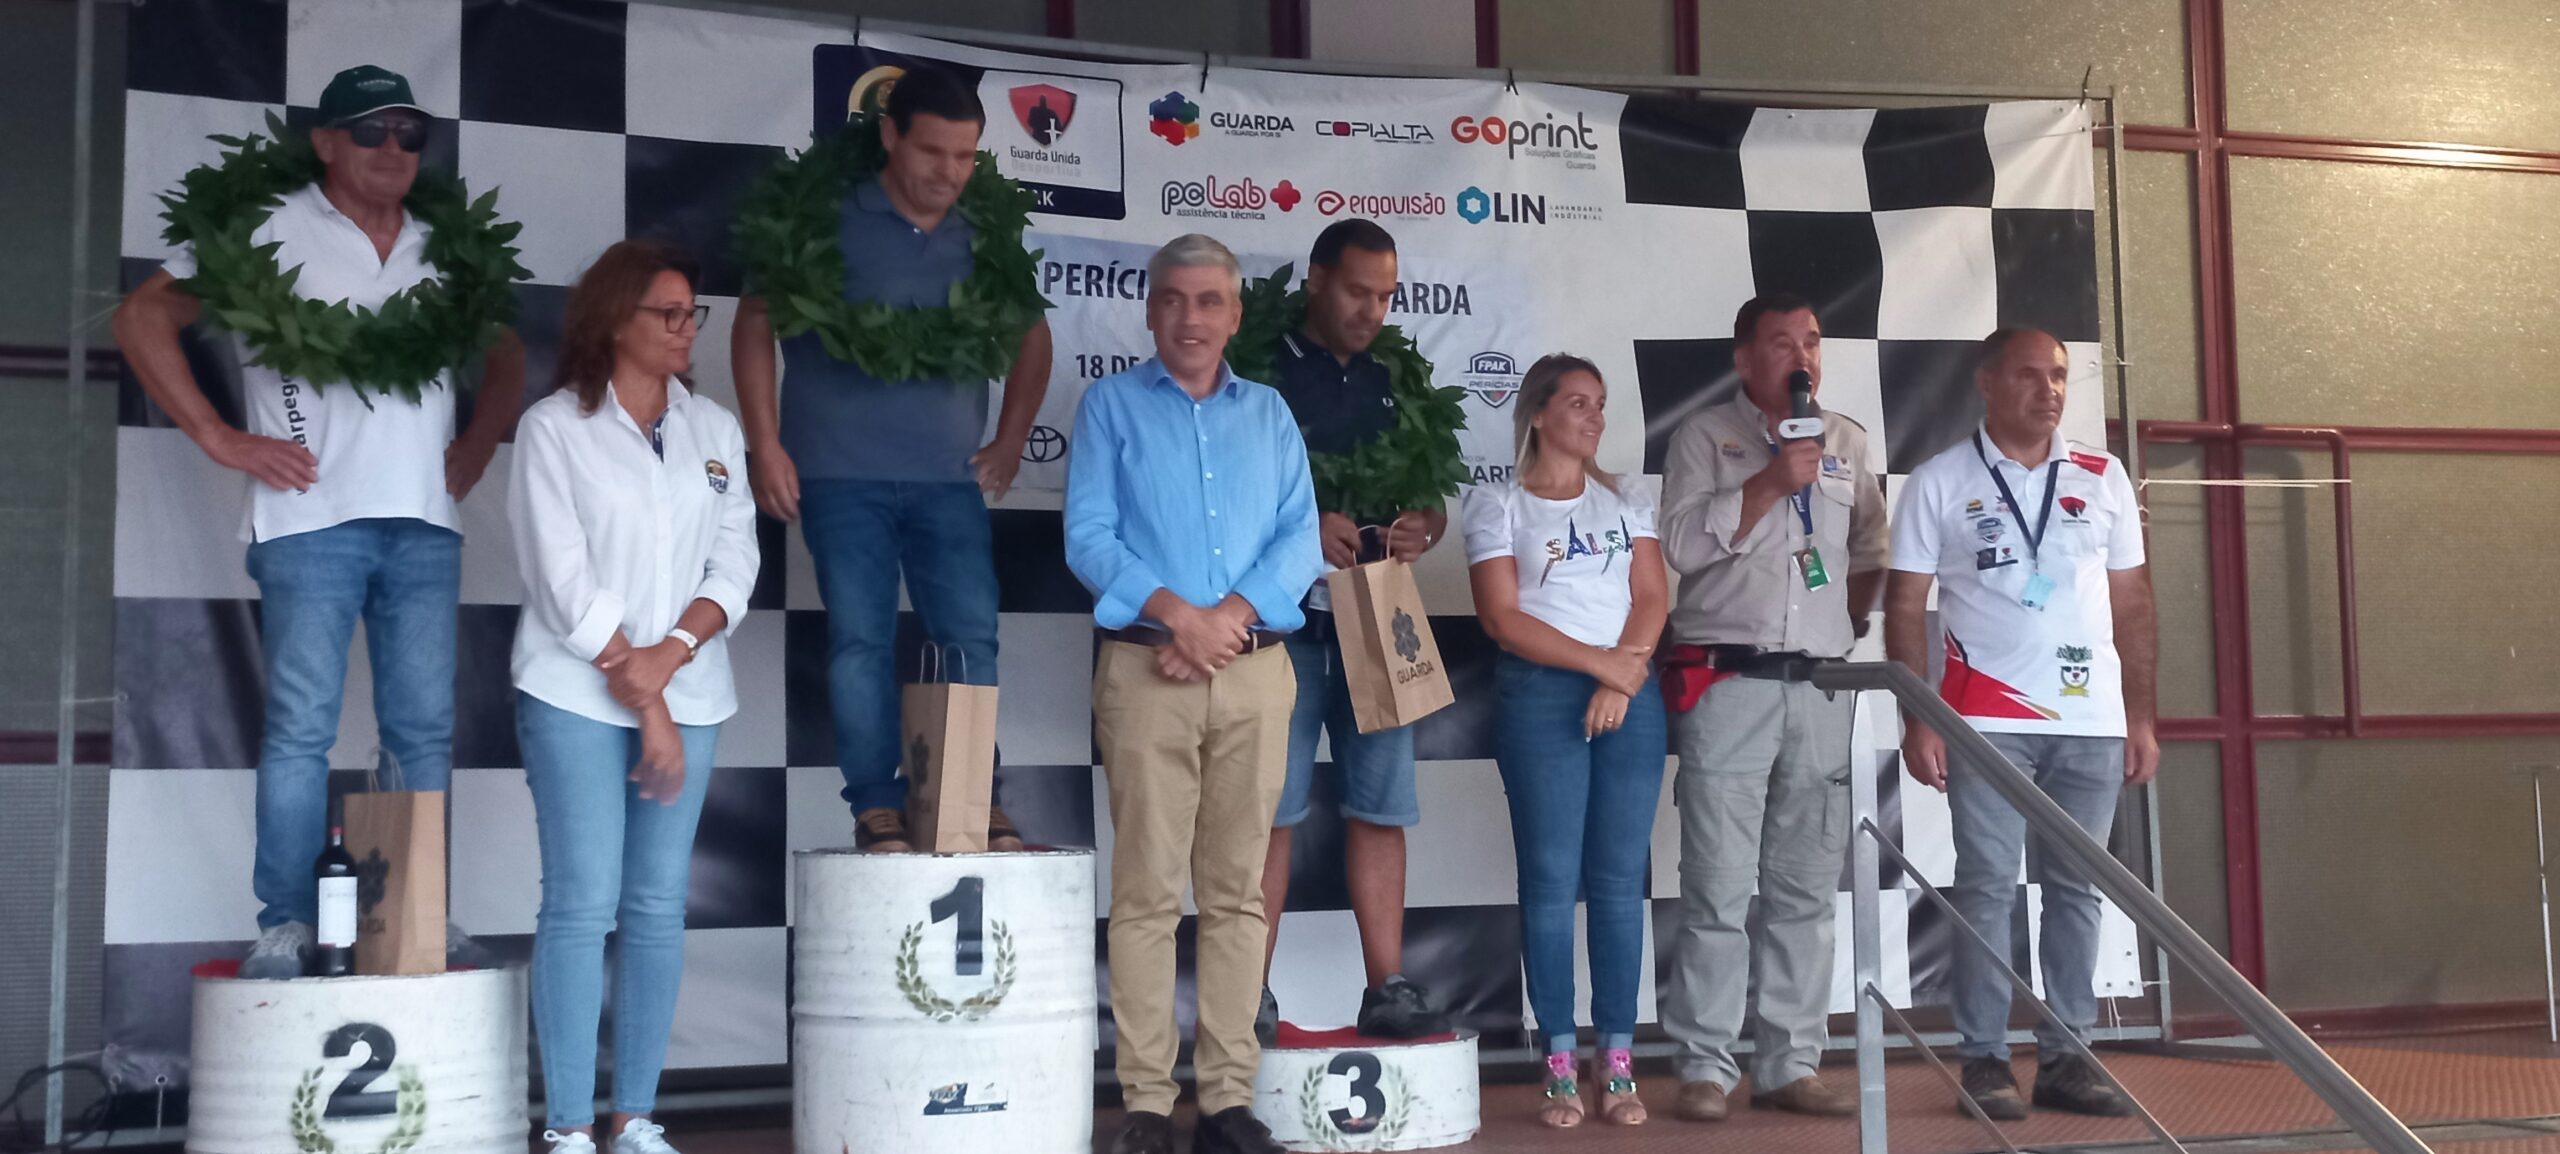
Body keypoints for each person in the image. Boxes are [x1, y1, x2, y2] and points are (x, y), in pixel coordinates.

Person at [112, 64, 524, 979]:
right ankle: (287, 922)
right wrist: (218, 435)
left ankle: (414, 912)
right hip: (310, 522)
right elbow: (141, 316)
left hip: (423, 523)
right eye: (370, 130)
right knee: (301, 728)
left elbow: (503, 348)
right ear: (327, 142)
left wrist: (480, 441)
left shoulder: (445, 241)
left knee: (422, 730)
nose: (392, 147)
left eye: (409, 133)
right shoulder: (268, 224)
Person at [732, 65, 1051, 852]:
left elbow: (1033, 336)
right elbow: (754, 321)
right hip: (839, 474)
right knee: (860, 642)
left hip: (949, 478)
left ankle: (968, 793)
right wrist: (765, 443)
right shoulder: (823, 214)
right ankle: (876, 803)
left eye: (965, 156)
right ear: (889, 136)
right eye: (933, 152)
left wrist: (1011, 440)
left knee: (970, 636)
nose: (949, 172)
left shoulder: (986, 230)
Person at [1066, 234, 1320, 1154]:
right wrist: (1180, 618)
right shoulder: (1110, 405)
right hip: (1148, 670)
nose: (1190, 317)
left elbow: (1301, 537)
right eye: (1172, 299)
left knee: (1236, 895)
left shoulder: (1271, 413)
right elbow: (1089, 536)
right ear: (1149, 309)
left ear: (1235, 314)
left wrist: (1227, 621)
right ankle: (1145, 1103)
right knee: (1145, 891)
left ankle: (1226, 1103)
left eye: (1209, 300)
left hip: (1252, 671)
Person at [509, 240, 761, 1154]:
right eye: (670, 313)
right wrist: (647, 692)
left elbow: (736, 561)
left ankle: (636, 1119)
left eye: (694, 313)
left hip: (690, 689)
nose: (688, 328)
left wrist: (674, 652)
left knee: (656, 906)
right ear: (615, 319)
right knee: (582, 903)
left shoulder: (714, 428)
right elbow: (560, 578)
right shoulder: (553, 427)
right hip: (574, 690)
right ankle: (570, 1127)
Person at [1884, 328, 2156, 1120]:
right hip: (1983, 719)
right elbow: (1904, 604)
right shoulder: (1940, 480)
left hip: (2093, 719)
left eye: (2060, 375)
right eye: (2031, 375)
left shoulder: (2103, 475)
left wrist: (2140, 716)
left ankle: (2069, 1056)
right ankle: (1985, 1060)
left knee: (2078, 890)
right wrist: (1919, 718)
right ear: (1987, 382)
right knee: (1987, 888)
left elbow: (2134, 602)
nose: (2050, 390)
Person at [1655, 293, 1888, 1120]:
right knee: (1717, 889)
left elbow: (1871, 547)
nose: (1802, 356)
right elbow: (1679, 546)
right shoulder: (1703, 436)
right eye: (1783, 342)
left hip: (1820, 686)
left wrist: (1840, 624)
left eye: (1812, 341)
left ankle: (1790, 1063)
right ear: (1744, 358)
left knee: (1806, 888)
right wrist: (1767, 482)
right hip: (1730, 683)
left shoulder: (1847, 440)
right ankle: (1706, 1067)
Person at [1257, 218, 1451, 1043]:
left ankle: (1388, 986)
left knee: (1382, 804)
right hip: (1281, 619)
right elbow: (1222, 496)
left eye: (1386, 296)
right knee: (1268, 809)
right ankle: (1248, 990)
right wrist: (1305, 531)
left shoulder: (1398, 374)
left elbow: (1432, 495)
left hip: (1380, 611)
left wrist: (1424, 527)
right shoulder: (1257, 368)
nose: (1372, 310)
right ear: (1316, 280)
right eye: (1357, 292)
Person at [1463, 354, 1669, 1129]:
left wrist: (1622, 676)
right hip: (1542, 694)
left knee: (1618, 881)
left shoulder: (1629, 496)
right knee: (1550, 881)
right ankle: (1557, 1063)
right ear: (1539, 413)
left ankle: (1617, 1060)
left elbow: (1651, 597)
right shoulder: (1498, 502)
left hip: (1629, 694)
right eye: (1578, 402)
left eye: (1600, 403)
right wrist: (1600, 667)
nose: (1594, 416)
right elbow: (1501, 618)